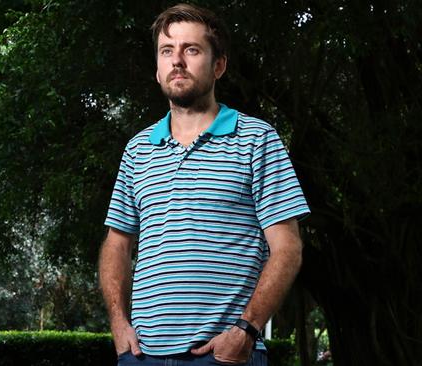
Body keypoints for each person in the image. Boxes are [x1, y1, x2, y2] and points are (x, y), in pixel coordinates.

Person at [98, 4, 310, 365]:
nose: (177, 61)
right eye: (167, 51)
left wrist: (247, 330)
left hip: (224, 355)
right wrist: (119, 325)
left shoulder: (257, 139)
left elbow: (287, 248)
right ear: (157, 68)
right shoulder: (137, 149)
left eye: (191, 50)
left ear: (219, 66)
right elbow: (116, 244)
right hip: (142, 356)